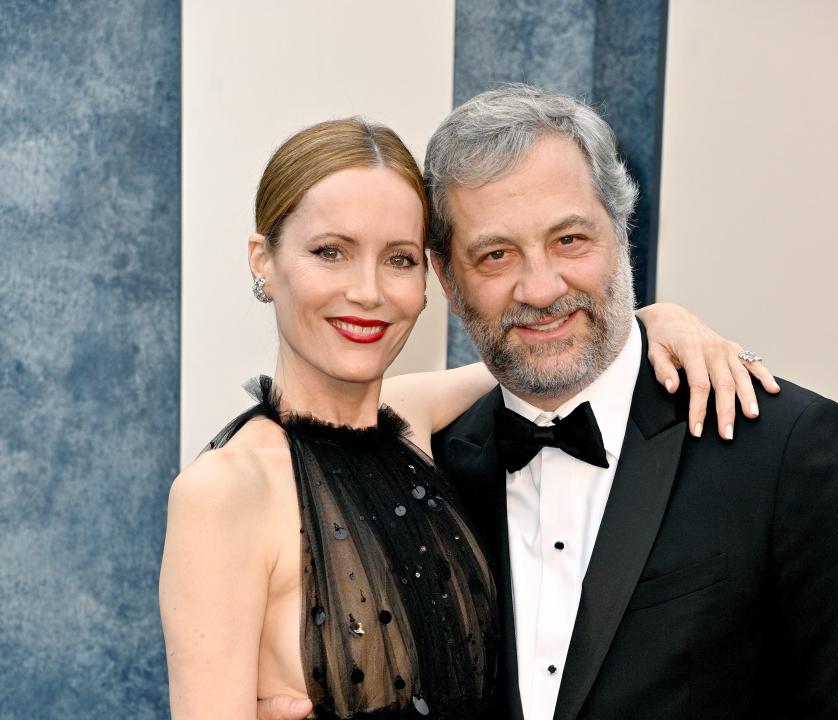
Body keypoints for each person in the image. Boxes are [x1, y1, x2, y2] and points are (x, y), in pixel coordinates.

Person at [160, 117, 775, 720]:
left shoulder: (413, 420)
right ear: (263, 260)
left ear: (433, 280)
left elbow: (544, 350)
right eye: (330, 252)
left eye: (398, 259)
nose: (368, 291)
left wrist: (657, 321)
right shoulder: (223, 494)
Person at [421, 86, 838, 718]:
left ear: (621, 229)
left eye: (570, 240)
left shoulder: (787, 451)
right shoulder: (428, 470)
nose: (542, 287)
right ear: (446, 277)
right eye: (496, 255)